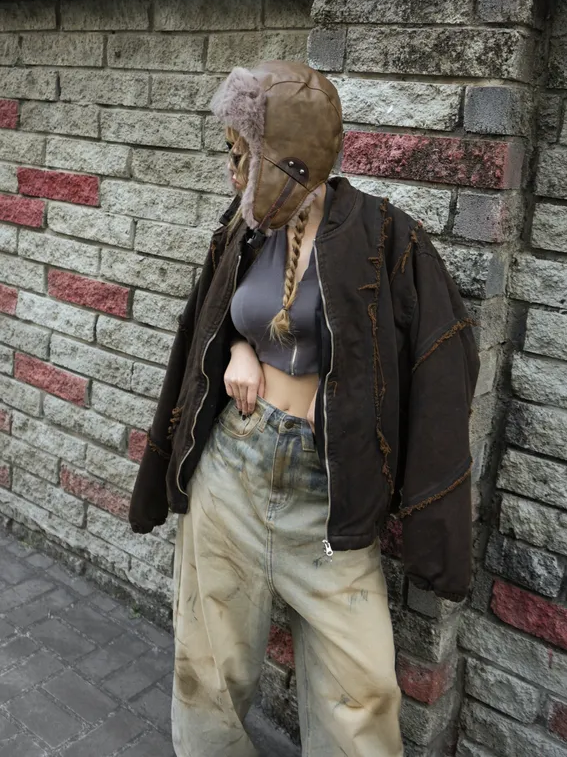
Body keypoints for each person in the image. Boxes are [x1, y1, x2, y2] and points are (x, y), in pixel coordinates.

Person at [128, 61, 479, 757]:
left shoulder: (387, 239)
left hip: (329, 497)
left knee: (361, 698)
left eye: (243, 156)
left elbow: (445, 361)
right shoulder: (246, 229)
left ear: (287, 160)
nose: (232, 173)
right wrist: (240, 351)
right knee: (207, 671)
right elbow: (215, 318)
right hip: (233, 465)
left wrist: (348, 403)